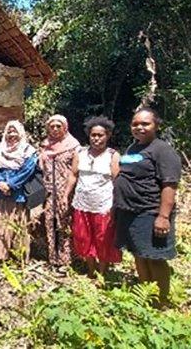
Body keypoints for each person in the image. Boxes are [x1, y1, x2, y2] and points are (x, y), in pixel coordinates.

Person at [114, 108, 181, 306]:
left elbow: (169, 184)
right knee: (138, 254)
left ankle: (161, 303)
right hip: (130, 211)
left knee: (155, 258)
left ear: (156, 126)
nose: (139, 127)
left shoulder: (162, 150)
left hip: (150, 212)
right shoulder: (133, 148)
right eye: (135, 124)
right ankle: (145, 296)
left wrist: (163, 216)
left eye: (145, 124)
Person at [65, 116, 121, 278]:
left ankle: (102, 273)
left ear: (107, 135)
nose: (96, 138)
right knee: (84, 237)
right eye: (93, 135)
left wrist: (117, 204)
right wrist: (65, 195)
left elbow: (117, 180)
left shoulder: (112, 155)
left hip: (104, 205)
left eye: (100, 135)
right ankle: (91, 271)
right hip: (82, 203)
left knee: (103, 239)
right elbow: (73, 175)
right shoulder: (80, 153)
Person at [0, 120, 38, 263]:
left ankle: (17, 255)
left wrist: (11, 184)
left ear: (21, 134)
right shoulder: (0, 150)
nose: (12, 135)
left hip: (18, 192)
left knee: (17, 221)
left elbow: (28, 170)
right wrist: (0, 182)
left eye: (15, 132)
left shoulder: (28, 151)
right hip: (1, 192)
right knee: (0, 220)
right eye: (9, 132)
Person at [38, 114, 80, 268]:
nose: (55, 129)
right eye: (52, 126)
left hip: (65, 193)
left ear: (65, 127)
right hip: (48, 192)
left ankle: (66, 260)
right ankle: (53, 258)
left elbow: (75, 173)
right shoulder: (45, 145)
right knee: (50, 222)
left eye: (58, 126)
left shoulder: (74, 146)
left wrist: (67, 194)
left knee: (65, 223)